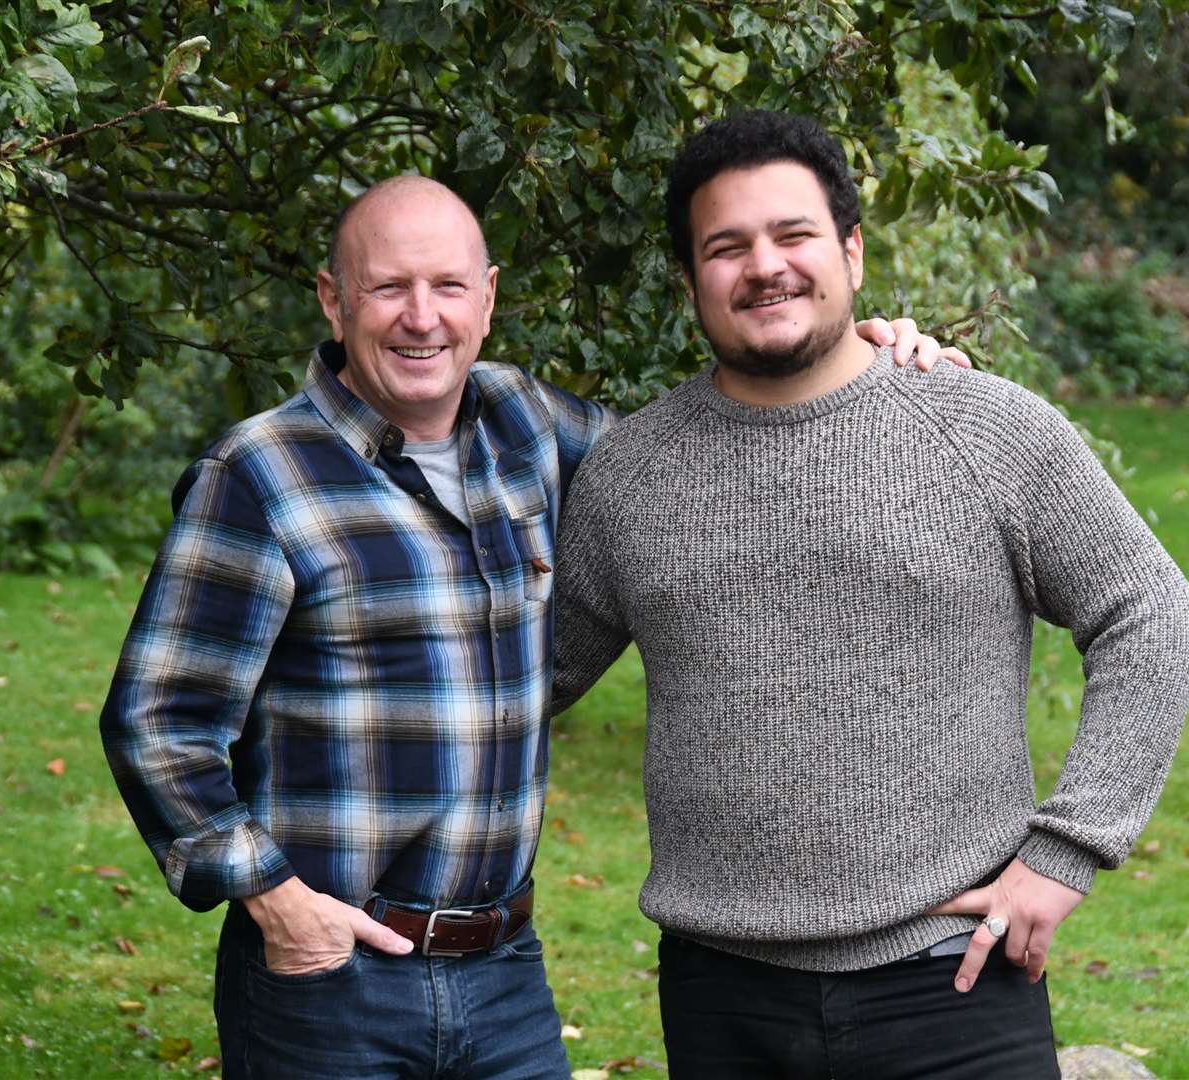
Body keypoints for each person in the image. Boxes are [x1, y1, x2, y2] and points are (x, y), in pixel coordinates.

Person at [99, 173, 961, 1079]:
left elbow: (702, 459)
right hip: (330, 978)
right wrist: (275, 901)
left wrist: (850, 361)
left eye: (448, 287)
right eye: (389, 288)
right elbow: (159, 721)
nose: (421, 318)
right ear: (334, 298)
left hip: (503, 972)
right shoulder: (261, 476)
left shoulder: (531, 425)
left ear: (488, 296)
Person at [549, 111, 1189, 1079]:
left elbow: (1152, 618)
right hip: (720, 996)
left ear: (852, 252)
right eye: (725, 247)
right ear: (690, 281)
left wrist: (1065, 856)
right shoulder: (629, 477)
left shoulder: (983, 430)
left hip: (952, 983)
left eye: (793, 235)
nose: (763, 266)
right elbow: (520, 682)